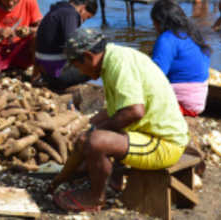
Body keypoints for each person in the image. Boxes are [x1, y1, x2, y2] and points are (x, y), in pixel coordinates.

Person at [50, 28, 190, 212]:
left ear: (89, 56)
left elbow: (134, 111)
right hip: (149, 133)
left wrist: (94, 133)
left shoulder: (119, 64)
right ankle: (114, 179)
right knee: (96, 134)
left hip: (164, 144)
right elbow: (115, 109)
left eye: (78, 66)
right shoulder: (113, 57)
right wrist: (89, 124)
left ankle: (96, 198)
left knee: (96, 141)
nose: (80, 72)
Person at [151, 0, 210, 116]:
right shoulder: (197, 34)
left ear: (159, 22)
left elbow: (155, 76)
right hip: (200, 96)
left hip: (184, 102)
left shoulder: (167, 39)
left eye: (154, 22)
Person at [34, 0, 97, 88]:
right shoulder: (71, 14)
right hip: (55, 73)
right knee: (101, 63)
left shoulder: (58, 10)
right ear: (83, 7)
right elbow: (72, 46)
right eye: (87, 17)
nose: (84, 20)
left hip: (44, 68)